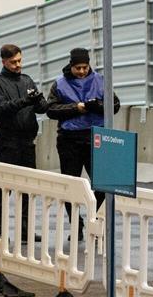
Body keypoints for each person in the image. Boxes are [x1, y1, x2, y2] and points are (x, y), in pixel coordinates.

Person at [46, 47, 119, 240]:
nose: (81, 71)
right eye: (77, 67)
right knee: (72, 186)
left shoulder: (101, 80)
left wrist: (99, 106)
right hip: (69, 139)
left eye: (84, 67)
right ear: (71, 65)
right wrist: (75, 108)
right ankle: (76, 225)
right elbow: (51, 110)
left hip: (96, 137)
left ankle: (96, 221)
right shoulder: (59, 84)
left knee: (103, 183)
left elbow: (116, 105)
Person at [0, 44, 49, 239]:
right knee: (4, 187)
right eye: (13, 62)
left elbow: (42, 109)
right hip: (8, 141)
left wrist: (38, 101)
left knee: (27, 188)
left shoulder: (27, 80)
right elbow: (1, 107)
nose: (17, 65)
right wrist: (25, 102)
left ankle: (25, 230)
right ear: (4, 61)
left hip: (27, 141)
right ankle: (0, 229)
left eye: (19, 60)